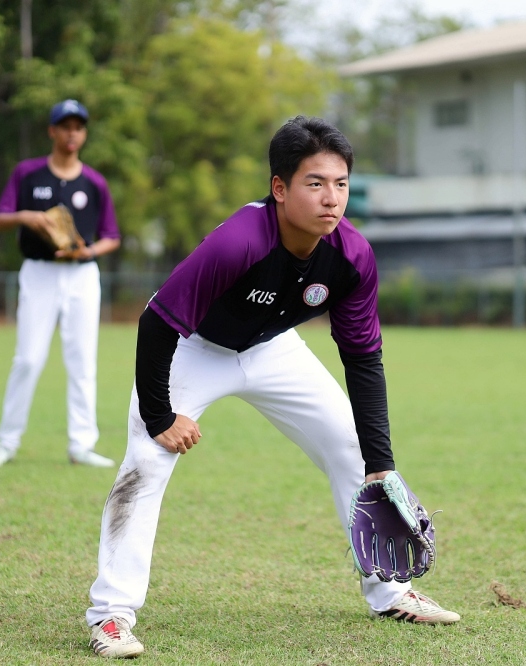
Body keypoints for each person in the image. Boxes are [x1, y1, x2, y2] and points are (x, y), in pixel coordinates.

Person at [85, 116, 459, 659]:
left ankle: (390, 593)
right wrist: (161, 416)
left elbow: (362, 358)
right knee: (146, 462)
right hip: (195, 347)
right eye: (315, 183)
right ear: (279, 188)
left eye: (341, 183)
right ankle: (111, 614)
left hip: (274, 349)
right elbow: (157, 322)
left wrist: (382, 464)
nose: (331, 198)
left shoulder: (352, 256)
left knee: (354, 450)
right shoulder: (238, 241)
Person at [0, 100, 121, 469]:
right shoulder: (27, 174)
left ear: (84, 133)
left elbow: (112, 236)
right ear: (52, 131)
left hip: (82, 275)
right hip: (39, 273)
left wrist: (89, 251)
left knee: (82, 361)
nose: (72, 133)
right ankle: (7, 441)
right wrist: (25, 217)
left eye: (78, 127)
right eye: (65, 126)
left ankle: (81, 445)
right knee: (28, 358)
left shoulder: (94, 182)